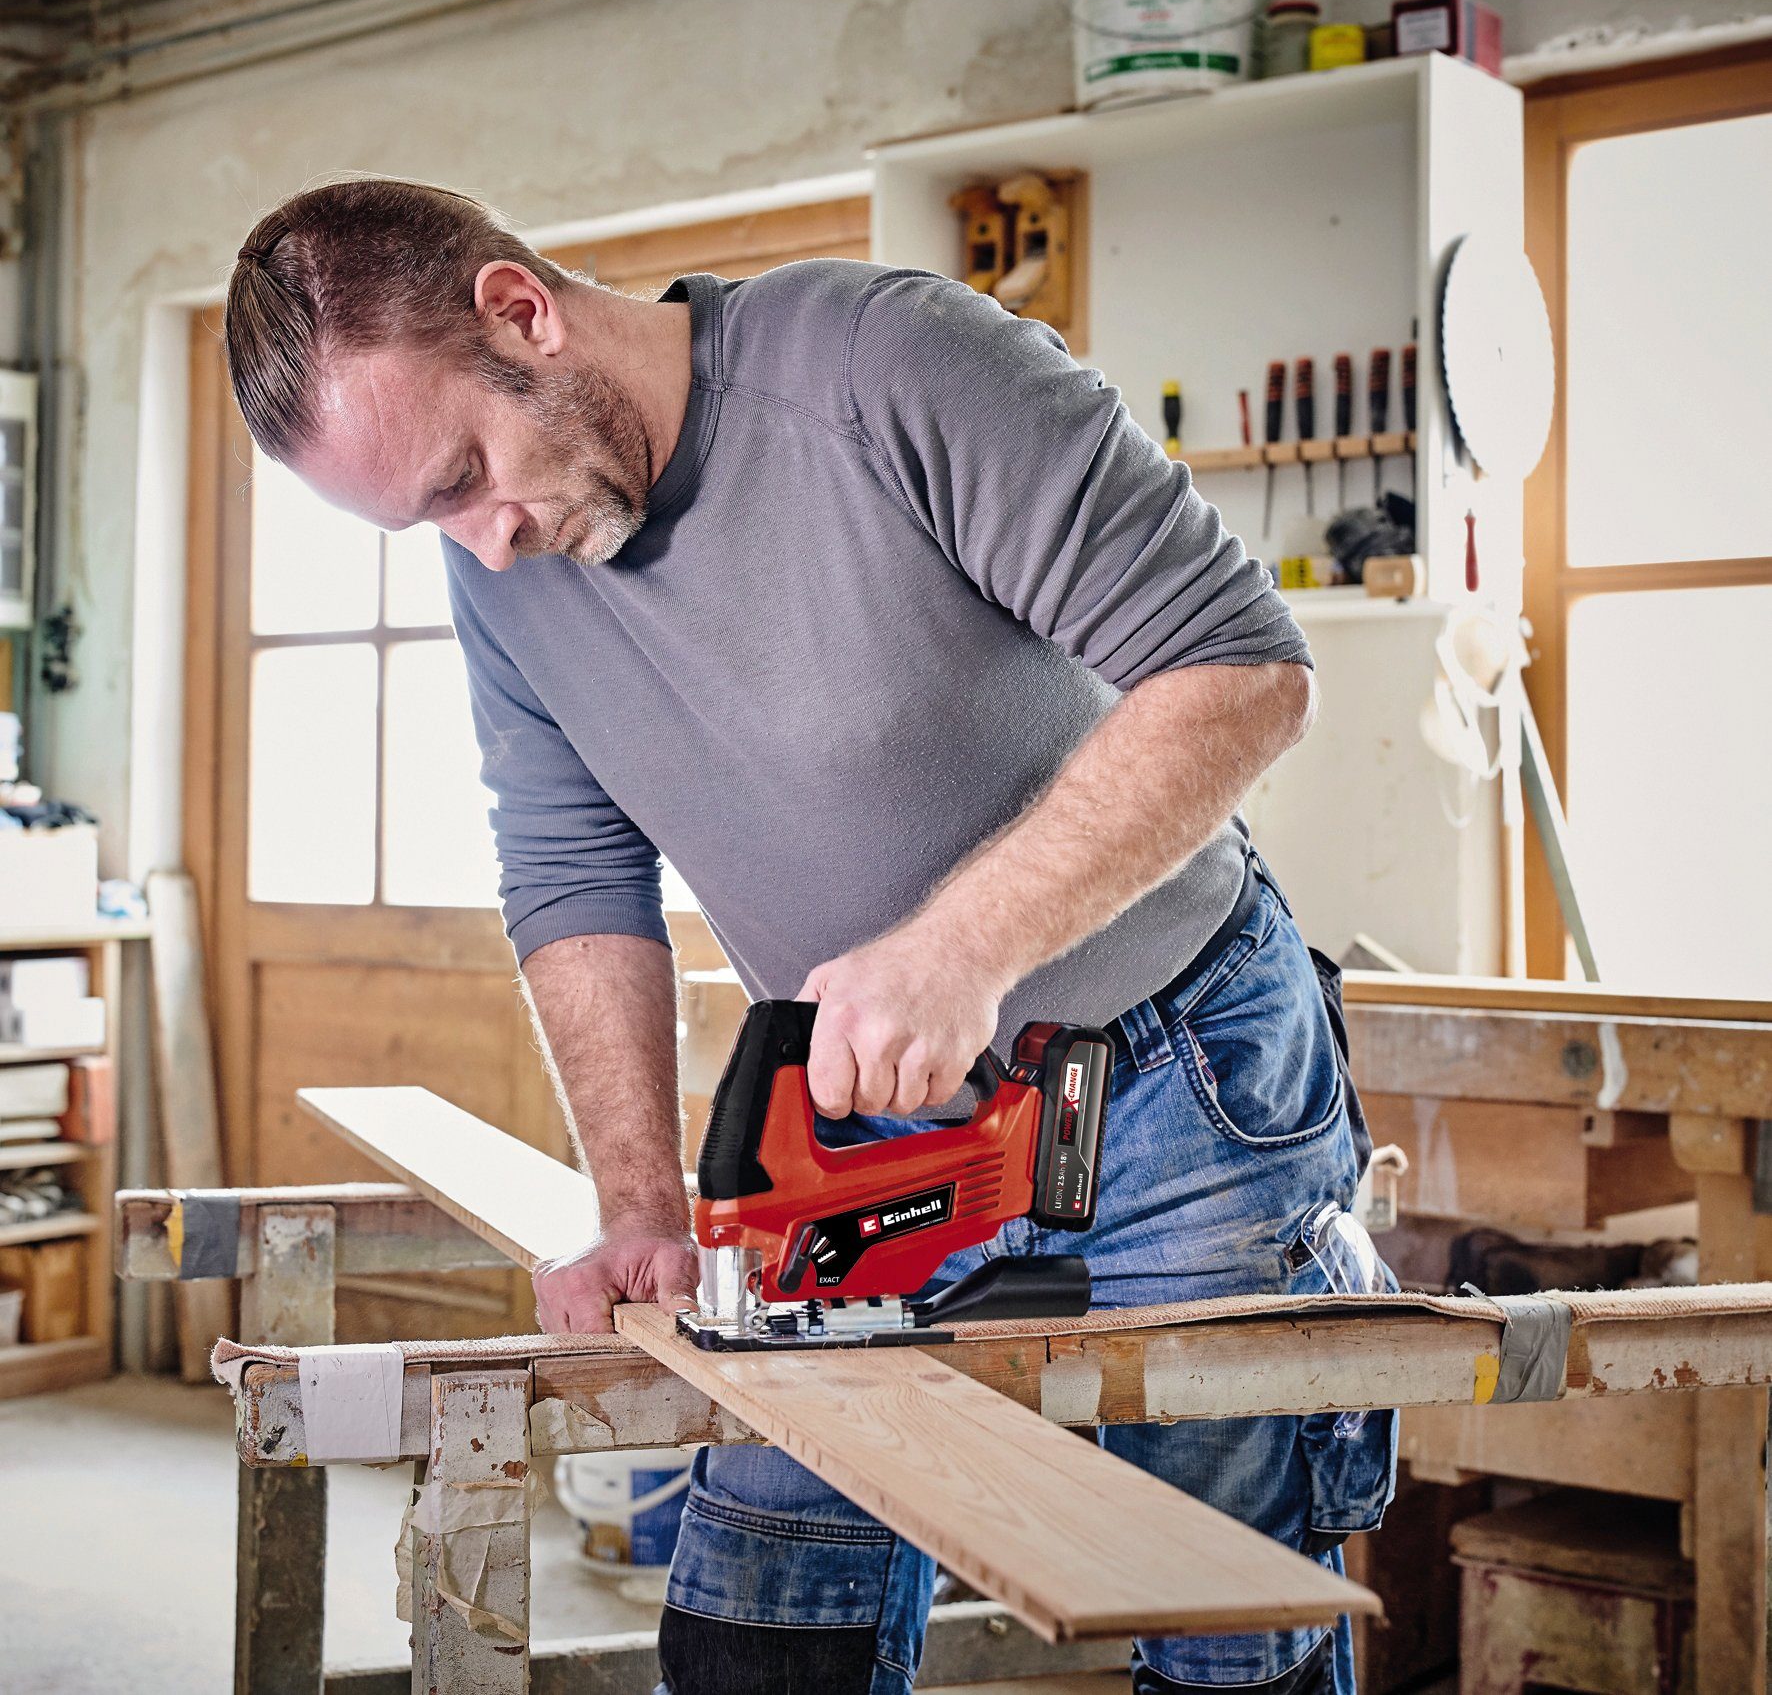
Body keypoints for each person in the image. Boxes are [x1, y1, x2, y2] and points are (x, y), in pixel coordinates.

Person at [224, 176, 1394, 1695]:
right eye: (431, 518)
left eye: (464, 475)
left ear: (523, 311)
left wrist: (961, 946)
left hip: (1181, 1083)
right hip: (855, 1131)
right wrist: (640, 1201)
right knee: (762, 1632)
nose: (486, 543)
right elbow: (576, 874)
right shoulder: (499, 565)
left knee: (1225, 1633)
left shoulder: (888, 368)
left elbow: (1244, 670)